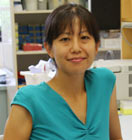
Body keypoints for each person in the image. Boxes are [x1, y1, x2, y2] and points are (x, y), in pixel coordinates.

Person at [4, 3, 123, 140]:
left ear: (96, 46)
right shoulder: (29, 100)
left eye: (84, 38)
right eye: (65, 39)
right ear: (49, 49)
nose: (76, 48)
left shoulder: (104, 82)